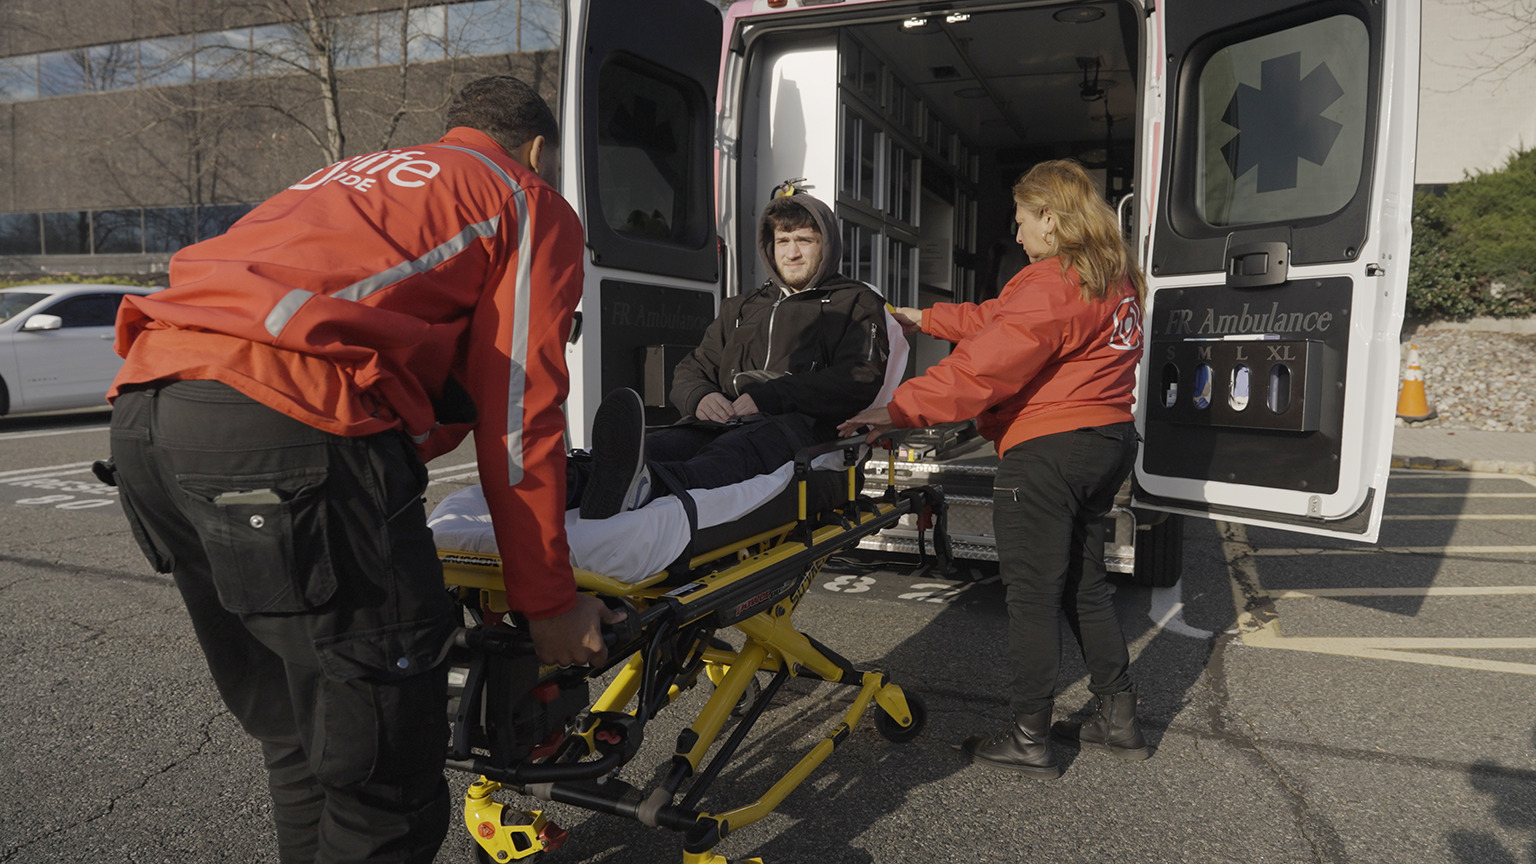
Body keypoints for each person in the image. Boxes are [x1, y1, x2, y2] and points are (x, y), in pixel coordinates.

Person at [101, 75, 622, 863]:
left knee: (301, 738)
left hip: (147, 411)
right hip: (284, 420)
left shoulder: (350, 177)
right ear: (539, 151)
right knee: (385, 779)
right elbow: (519, 412)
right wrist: (547, 605)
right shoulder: (522, 198)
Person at [840, 159, 1148, 779]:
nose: (1016, 233)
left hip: (1049, 450)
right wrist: (922, 317)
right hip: (1107, 440)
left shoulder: (1050, 282)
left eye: (1022, 220)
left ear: (1051, 220)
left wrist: (898, 409)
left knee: (1032, 595)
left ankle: (1030, 738)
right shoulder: (1112, 279)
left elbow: (984, 368)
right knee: (1082, 586)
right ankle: (1117, 716)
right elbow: (1001, 323)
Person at [578, 191, 892, 519]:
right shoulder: (743, 306)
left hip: (799, 432)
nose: (792, 252)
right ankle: (575, 479)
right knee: (659, 446)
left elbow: (859, 377)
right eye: (783, 241)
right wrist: (699, 397)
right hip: (722, 422)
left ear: (826, 246)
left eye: (804, 240)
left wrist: (771, 397)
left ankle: (649, 487)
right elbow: (693, 367)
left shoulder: (855, 303)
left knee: (727, 455)